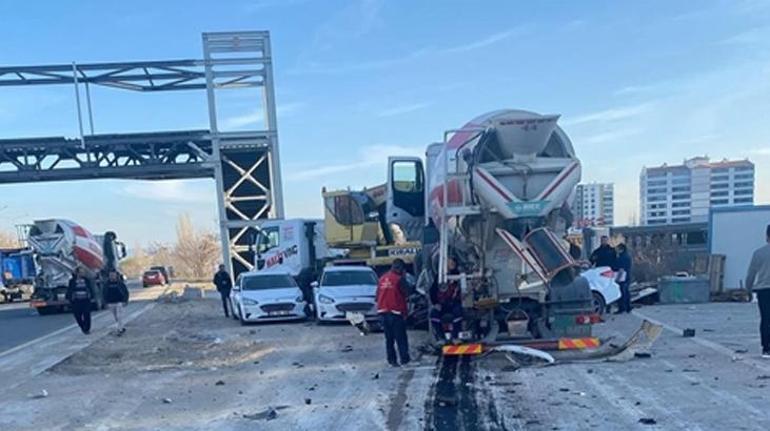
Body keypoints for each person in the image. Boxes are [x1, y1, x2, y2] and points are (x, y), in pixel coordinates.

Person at [376, 258, 411, 367]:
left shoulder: (382, 279)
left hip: (383, 313)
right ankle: (404, 360)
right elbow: (408, 292)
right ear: (401, 268)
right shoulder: (399, 279)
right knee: (401, 338)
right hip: (396, 313)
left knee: (389, 339)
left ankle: (392, 361)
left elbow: (377, 296)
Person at [745, 224, 770, 358]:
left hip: (764, 290)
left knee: (766, 319)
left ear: (767, 236)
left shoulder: (759, 253)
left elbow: (751, 274)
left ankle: (766, 348)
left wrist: (748, 289)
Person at [429, 257, 463, 343]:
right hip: (442, 304)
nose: (452, 264)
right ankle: (441, 337)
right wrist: (436, 303)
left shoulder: (458, 275)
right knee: (433, 314)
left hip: (455, 303)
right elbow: (432, 291)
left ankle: (455, 336)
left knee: (458, 312)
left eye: (453, 263)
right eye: (450, 262)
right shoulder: (440, 276)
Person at [66, 267, 95, 335]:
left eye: (83, 272)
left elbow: (90, 288)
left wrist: (92, 297)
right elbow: (70, 290)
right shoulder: (72, 281)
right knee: (77, 316)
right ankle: (82, 327)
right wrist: (70, 298)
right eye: (81, 272)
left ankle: (87, 329)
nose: (82, 273)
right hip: (76, 301)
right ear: (77, 273)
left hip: (85, 300)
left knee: (86, 314)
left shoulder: (86, 280)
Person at [104, 270, 129, 335]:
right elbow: (104, 293)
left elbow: (125, 292)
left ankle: (119, 329)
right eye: (111, 275)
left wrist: (125, 300)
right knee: (116, 317)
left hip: (119, 302)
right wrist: (105, 302)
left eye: (113, 275)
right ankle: (121, 327)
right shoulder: (107, 284)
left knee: (119, 316)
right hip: (111, 302)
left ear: (116, 276)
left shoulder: (120, 283)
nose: (112, 277)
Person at [615, 243, 633, 314]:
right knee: (626, 292)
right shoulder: (627, 256)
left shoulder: (622, 257)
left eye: (618, 249)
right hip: (627, 276)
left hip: (622, 277)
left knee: (622, 293)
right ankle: (628, 307)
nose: (617, 250)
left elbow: (621, 269)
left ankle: (622, 308)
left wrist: (617, 279)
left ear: (621, 249)